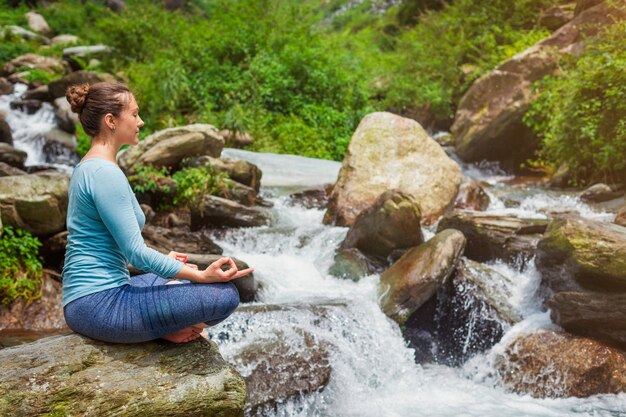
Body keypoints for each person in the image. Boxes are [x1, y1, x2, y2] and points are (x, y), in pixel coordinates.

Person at [62, 82, 253, 344]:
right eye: (134, 114)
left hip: (90, 300)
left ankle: (169, 327)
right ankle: (171, 329)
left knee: (181, 275)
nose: (140, 122)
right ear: (111, 121)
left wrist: (170, 266)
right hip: (101, 305)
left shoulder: (89, 167)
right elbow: (136, 253)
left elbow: (116, 248)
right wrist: (201, 276)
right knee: (225, 295)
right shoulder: (104, 174)